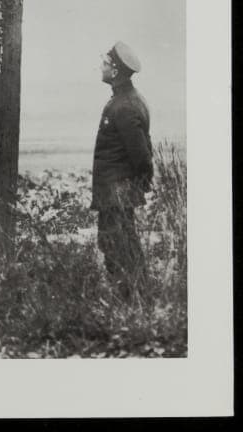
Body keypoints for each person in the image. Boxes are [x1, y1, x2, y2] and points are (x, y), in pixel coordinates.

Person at [92, 41, 153, 299]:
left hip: (117, 192)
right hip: (119, 192)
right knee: (124, 243)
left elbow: (141, 156)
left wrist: (141, 182)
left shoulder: (124, 106)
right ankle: (138, 299)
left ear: (115, 71)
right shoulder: (127, 100)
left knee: (115, 246)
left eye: (105, 63)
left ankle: (128, 301)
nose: (101, 66)